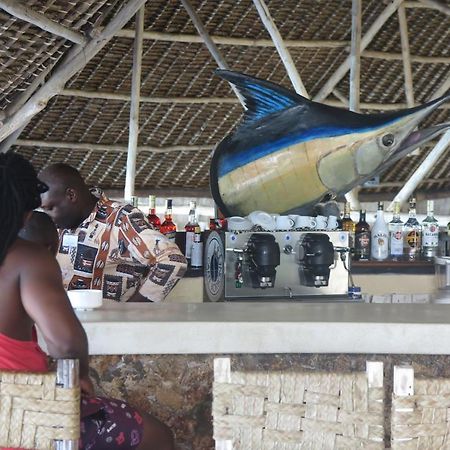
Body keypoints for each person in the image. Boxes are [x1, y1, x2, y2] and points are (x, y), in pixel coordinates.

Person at [0, 152, 174, 450]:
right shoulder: (27, 259)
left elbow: (171, 259)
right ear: (21, 209)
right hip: (26, 416)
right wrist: (79, 378)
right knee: (158, 436)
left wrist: (134, 307)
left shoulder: (121, 218)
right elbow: (66, 343)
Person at [38, 163, 187, 302]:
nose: (48, 215)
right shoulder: (58, 226)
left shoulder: (122, 219)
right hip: (66, 323)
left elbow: (172, 260)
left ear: (71, 195)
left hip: (108, 327)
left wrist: (134, 311)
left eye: (50, 208)